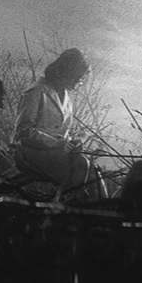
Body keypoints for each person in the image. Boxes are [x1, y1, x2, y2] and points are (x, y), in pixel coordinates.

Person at [12, 48, 107, 201]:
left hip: (58, 153)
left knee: (94, 170)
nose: (79, 82)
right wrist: (56, 143)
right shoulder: (36, 92)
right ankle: (64, 208)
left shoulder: (67, 98)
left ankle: (106, 212)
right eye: (77, 78)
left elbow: (63, 133)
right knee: (81, 164)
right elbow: (23, 131)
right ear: (66, 72)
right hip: (32, 152)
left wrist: (72, 143)